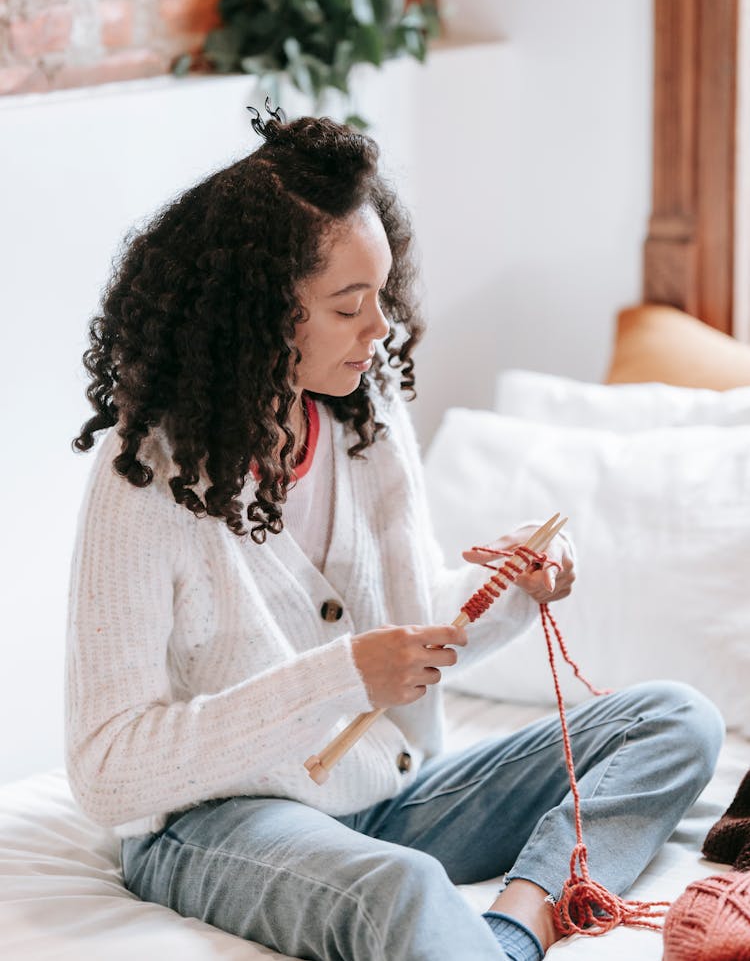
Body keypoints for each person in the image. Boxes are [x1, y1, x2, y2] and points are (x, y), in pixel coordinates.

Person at [66, 110, 724, 961]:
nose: (379, 330)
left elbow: (414, 628)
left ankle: (520, 918)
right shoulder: (144, 475)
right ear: (259, 313)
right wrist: (340, 677)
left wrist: (508, 588)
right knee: (403, 887)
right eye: (349, 306)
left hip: (391, 789)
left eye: (383, 297)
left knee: (678, 719)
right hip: (219, 818)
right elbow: (106, 766)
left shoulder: (364, 417)